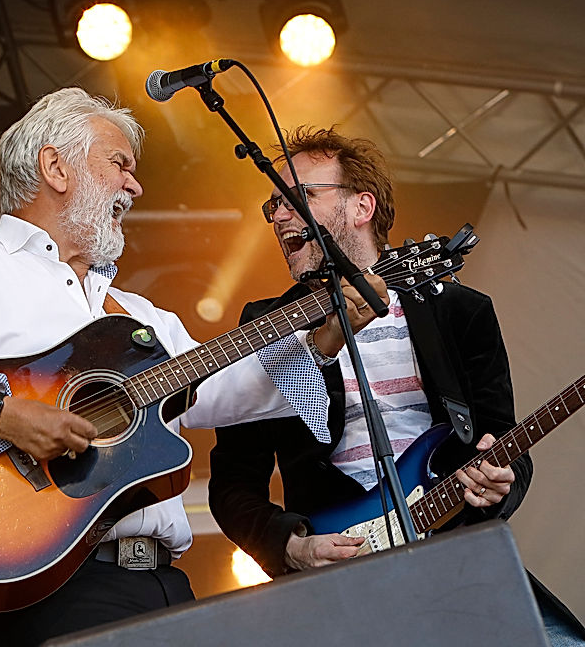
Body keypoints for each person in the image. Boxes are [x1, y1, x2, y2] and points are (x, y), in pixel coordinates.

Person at [0, 89, 379, 647]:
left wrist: (324, 338)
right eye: (119, 163)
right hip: (54, 583)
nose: (135, 184)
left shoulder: (137, 313)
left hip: (165, 583)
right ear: (56, 167)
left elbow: (224, 390)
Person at [207, 126, 585, 644]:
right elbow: (232, 484)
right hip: (334, 565)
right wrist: (291, 547)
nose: (278, 215)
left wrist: (497, 486)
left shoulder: (460, 311)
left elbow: (504, 443)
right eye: (271, 205)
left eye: (297, 198)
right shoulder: (267, 325)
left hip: (450, 548)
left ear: (361, 207)